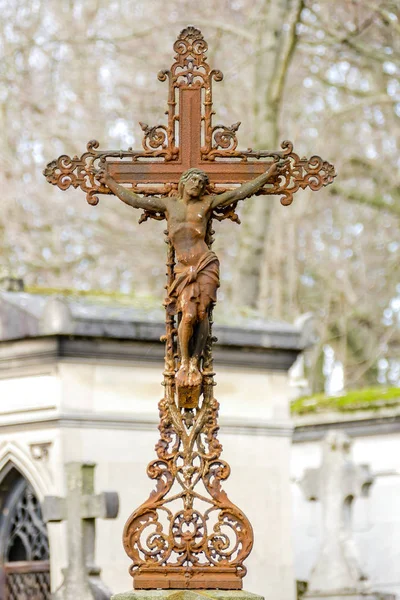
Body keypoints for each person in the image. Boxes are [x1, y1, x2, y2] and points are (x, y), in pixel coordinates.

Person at [96, 161, 281, 388]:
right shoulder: (169, 205)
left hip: (205, 264)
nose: (198, 185)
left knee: (202, 314)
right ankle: (184, 361)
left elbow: (239, 193)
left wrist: (266, 176)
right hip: (184, 270)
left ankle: (195, 361)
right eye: (194, 180)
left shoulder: (207, 203)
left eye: (202, 182)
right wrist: (110, 182)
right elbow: (135, 200)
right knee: (188, 315)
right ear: (183, 183)